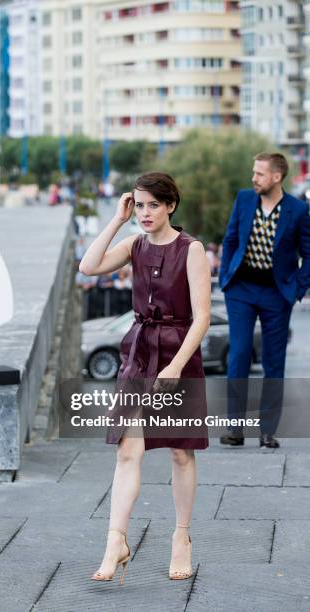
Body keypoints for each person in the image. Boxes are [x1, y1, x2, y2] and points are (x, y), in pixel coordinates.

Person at [79, 171, 211, 584]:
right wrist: (117, 220)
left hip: (179, 354)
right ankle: (115, 541)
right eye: (139, 204)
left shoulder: (191, 250)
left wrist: (175, 367)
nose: (146, 213)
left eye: (154, 204)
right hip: (138, 352)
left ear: (171, 205)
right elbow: (88, 266)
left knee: (179, 452)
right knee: (126, 451)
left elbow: (203, 317)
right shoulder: (133, 244)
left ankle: (182, 538)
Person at [219, 152, 310, 449]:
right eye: (253, 172)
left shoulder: (297, 210)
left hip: (276, 294)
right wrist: (224, 277)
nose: (253, 178)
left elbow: (308, 255)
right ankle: (234, 428)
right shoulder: (245, 199)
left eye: (259, 174)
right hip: (241, 291)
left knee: (274, 363)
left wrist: (296, 289)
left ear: (276, 177)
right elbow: (230, 239)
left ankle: (267, 431)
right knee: (240, 355)